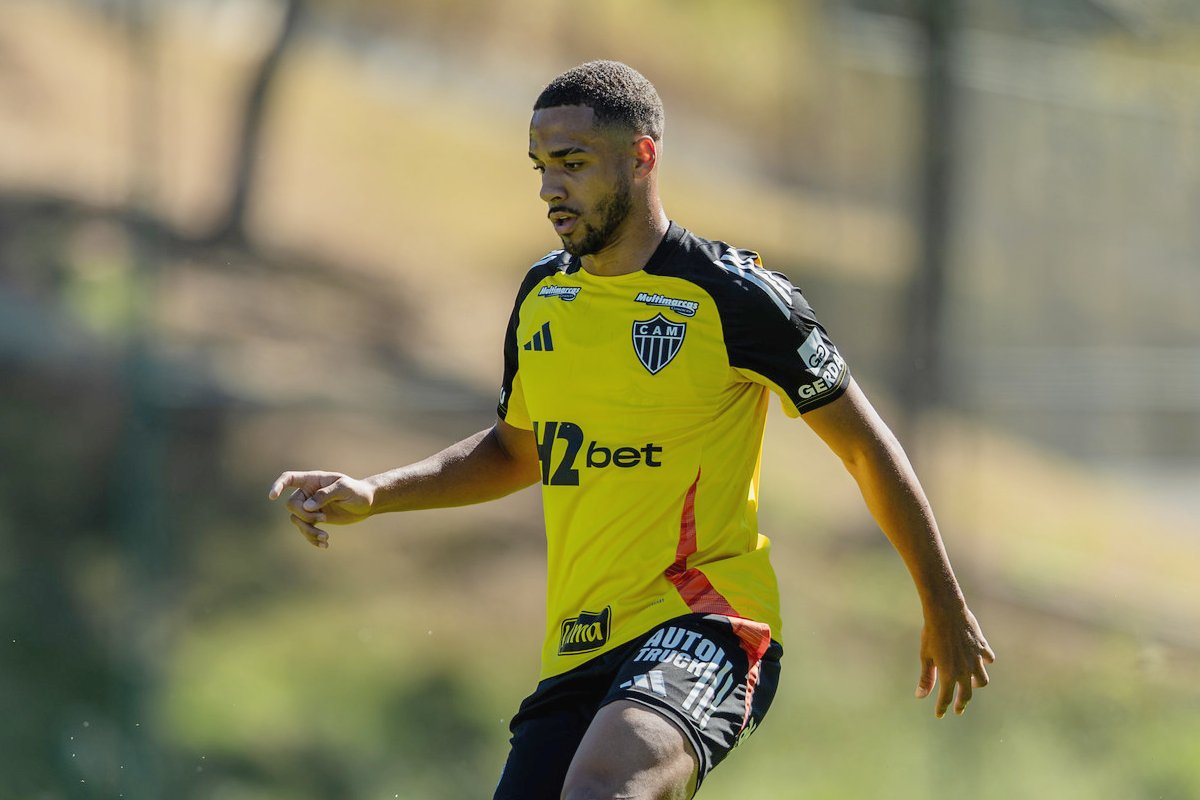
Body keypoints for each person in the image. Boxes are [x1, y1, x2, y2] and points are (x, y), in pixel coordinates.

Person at [268, 60, 994, 799]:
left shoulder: (736, 298)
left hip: (706, 620)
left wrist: (941, 600)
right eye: (542, 167)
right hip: (579, 649)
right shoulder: (543, 296)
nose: (551, 188)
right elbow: (519, 451)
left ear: (641, 156)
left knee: (608, 787)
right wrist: (374, 492)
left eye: (573, 164)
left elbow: (864, 449)